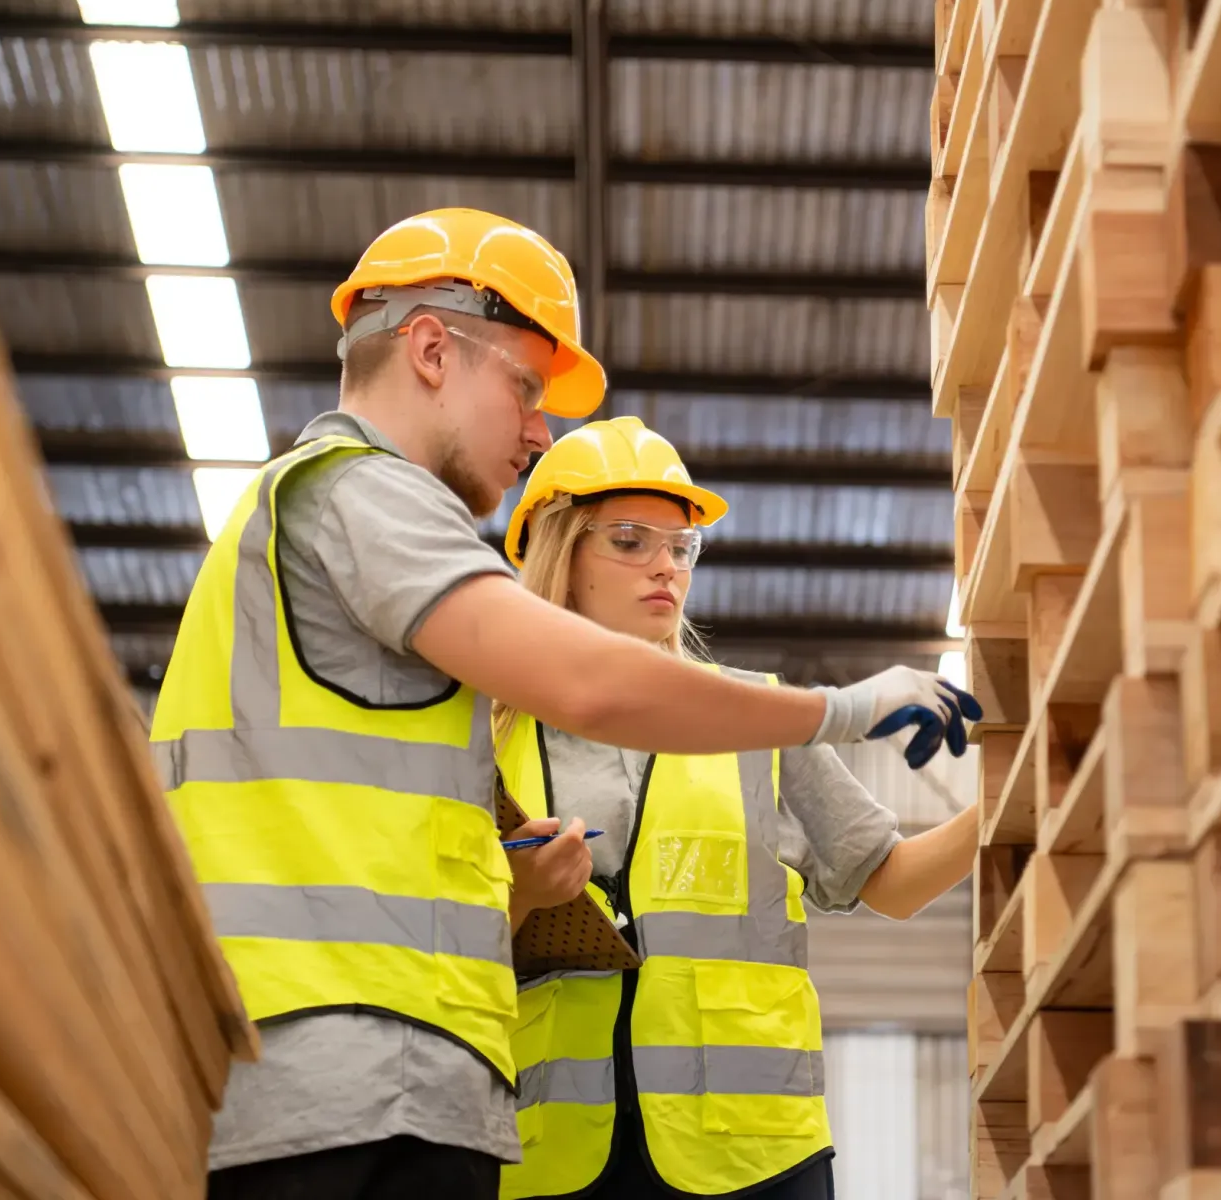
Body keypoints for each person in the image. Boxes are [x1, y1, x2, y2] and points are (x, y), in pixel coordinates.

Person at [150, 207, 980, 1200]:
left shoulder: (355, 579)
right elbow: (590, 682)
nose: (539, 427)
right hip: (367, 1080)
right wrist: (843, 707)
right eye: (524, 386)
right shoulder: (360, 497)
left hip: (437, 1089)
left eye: (681, 546)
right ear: (428, 348)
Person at [491, 417, 982, 1200]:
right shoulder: (483, 733)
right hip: (549, 1154)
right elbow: (428, 940)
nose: (666, 568)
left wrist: (1006, 805)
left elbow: (891, 882)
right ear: (561, 553)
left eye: (681, 548)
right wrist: (523, 896)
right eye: (629, 541)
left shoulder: (758, 717)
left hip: (752, 1157)